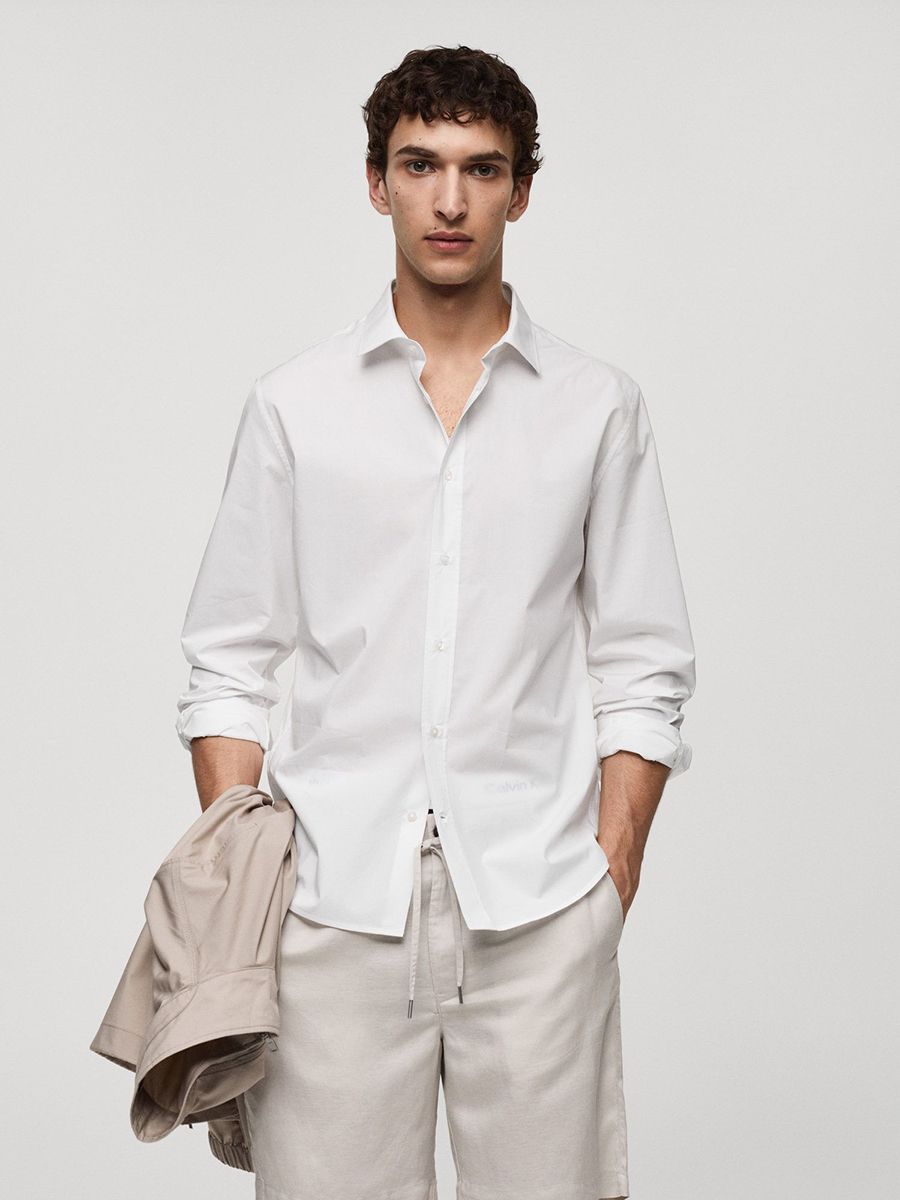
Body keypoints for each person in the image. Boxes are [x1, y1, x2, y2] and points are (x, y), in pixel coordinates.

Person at [175, 43, 695, 1200]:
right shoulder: (295, 407)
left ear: (521, 190)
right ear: (378, 184)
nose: (450, 199)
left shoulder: (597, 408)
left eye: (481, 168)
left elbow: (644, 664)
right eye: (420, 165)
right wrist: (239, 877)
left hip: (540, 907)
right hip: (328, 911)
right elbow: (227, 664)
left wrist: (611, 875)